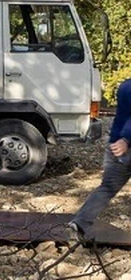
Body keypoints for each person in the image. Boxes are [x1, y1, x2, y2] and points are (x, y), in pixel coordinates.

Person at [68, 78, 131, 243]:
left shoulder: (125, 85)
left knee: (106, 189)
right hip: (125, 145)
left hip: (115, 146)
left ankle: (79, 223)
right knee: (107, 188)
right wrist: (126, 140)